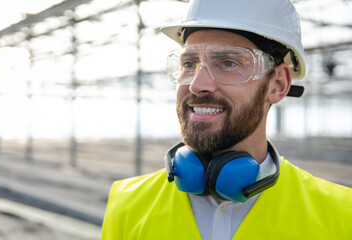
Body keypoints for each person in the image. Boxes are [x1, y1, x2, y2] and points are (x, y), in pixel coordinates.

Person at [102, 0, 352, 239]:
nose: (197, 85)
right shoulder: (126, 205)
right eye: (189, 63)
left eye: (228, 63)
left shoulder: (342, 214)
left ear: (278, 84)